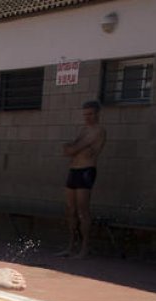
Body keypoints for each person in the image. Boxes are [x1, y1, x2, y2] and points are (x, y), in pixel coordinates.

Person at [59, 101, 106, 258]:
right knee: (70, 210)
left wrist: (74, 148)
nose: (87, 117)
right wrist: (74, 148)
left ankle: (84, 248)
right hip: (74, 170)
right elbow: (69, 149)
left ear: (97, 114)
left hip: (86, 171)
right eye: (85, 114)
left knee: (82, 210)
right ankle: (71, 245)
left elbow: (78, 148)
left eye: (90, 114)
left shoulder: (99, 131)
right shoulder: (84, 129)